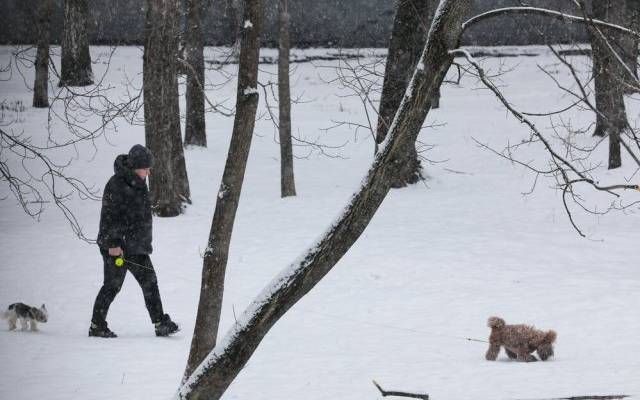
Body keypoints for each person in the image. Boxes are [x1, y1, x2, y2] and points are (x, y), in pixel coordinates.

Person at [89, 144, 179, 338]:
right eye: (146, 168)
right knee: (113, 285)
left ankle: (160, 323)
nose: (148, 171)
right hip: (117, 247)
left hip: (136, 246)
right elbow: (109, 217)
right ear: (135, 166)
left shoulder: (138, 181)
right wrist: (113, 244)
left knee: (150, 282)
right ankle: (97, 325)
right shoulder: (117, 184)